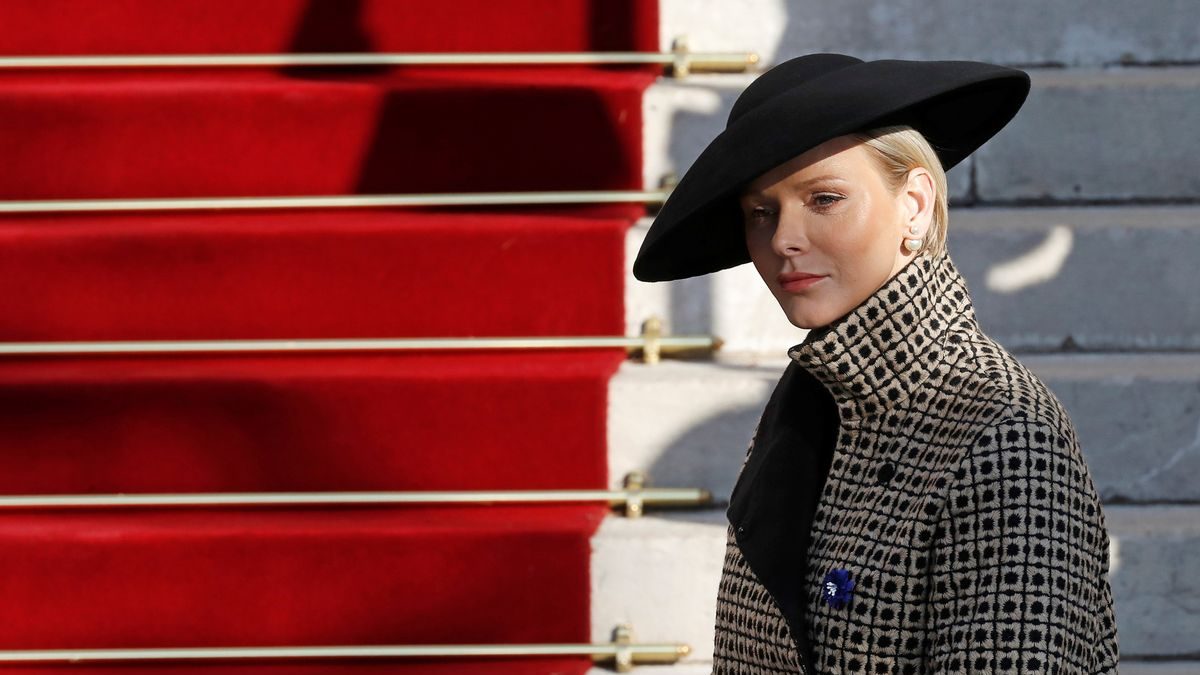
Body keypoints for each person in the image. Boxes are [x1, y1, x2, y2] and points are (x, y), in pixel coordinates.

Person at [632, 54, 1119, 674]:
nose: (783, 239)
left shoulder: (1001, 433)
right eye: (761, 212)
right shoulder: (813, 403)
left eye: (824, 198)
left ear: (914, 204)